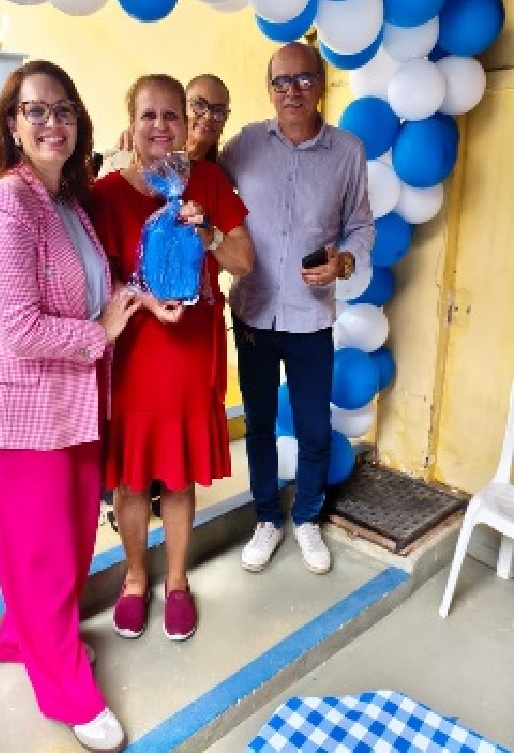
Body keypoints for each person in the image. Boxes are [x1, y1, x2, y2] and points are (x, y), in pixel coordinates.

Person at [0, 59, 141, 753]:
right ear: (11, 124)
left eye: (62, 109)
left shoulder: (67, 200)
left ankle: (25, 637)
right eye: (35, 110)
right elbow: (19, 328)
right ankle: (64, 686)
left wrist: (132, 297)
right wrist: (103, 333)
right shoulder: (6, 203)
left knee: (65, 545)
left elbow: (88, 286)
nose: (51, 122)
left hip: (72, 406)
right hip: (17, 417)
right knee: (43, 555)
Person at [91, 73, 253, 642]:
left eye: (171, 115)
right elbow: (95, 283)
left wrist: (209, 235)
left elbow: (244, 261)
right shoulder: (107, 193)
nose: (160, 125)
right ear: (131, 124)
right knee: (132, 480)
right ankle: (136, 579)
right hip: (134, 359)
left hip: (190, 356)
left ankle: (178, 580)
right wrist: (144, 302)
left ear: (186, 124)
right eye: (149, 115)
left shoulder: (206, 181)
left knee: (179, 477)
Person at [219, 42, 375, 577]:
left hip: (310, 319)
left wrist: (345, 261)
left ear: (321, 86)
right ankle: (267, 517)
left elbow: (360, 224)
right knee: (260, 424)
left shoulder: (347, 152)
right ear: (270, 89)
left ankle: (307, 516)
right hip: (253, 315)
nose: (292, 92)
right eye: (281, 82)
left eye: (304, 80)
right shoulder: (245, 145)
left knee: (313, 426)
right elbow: (202, 179)